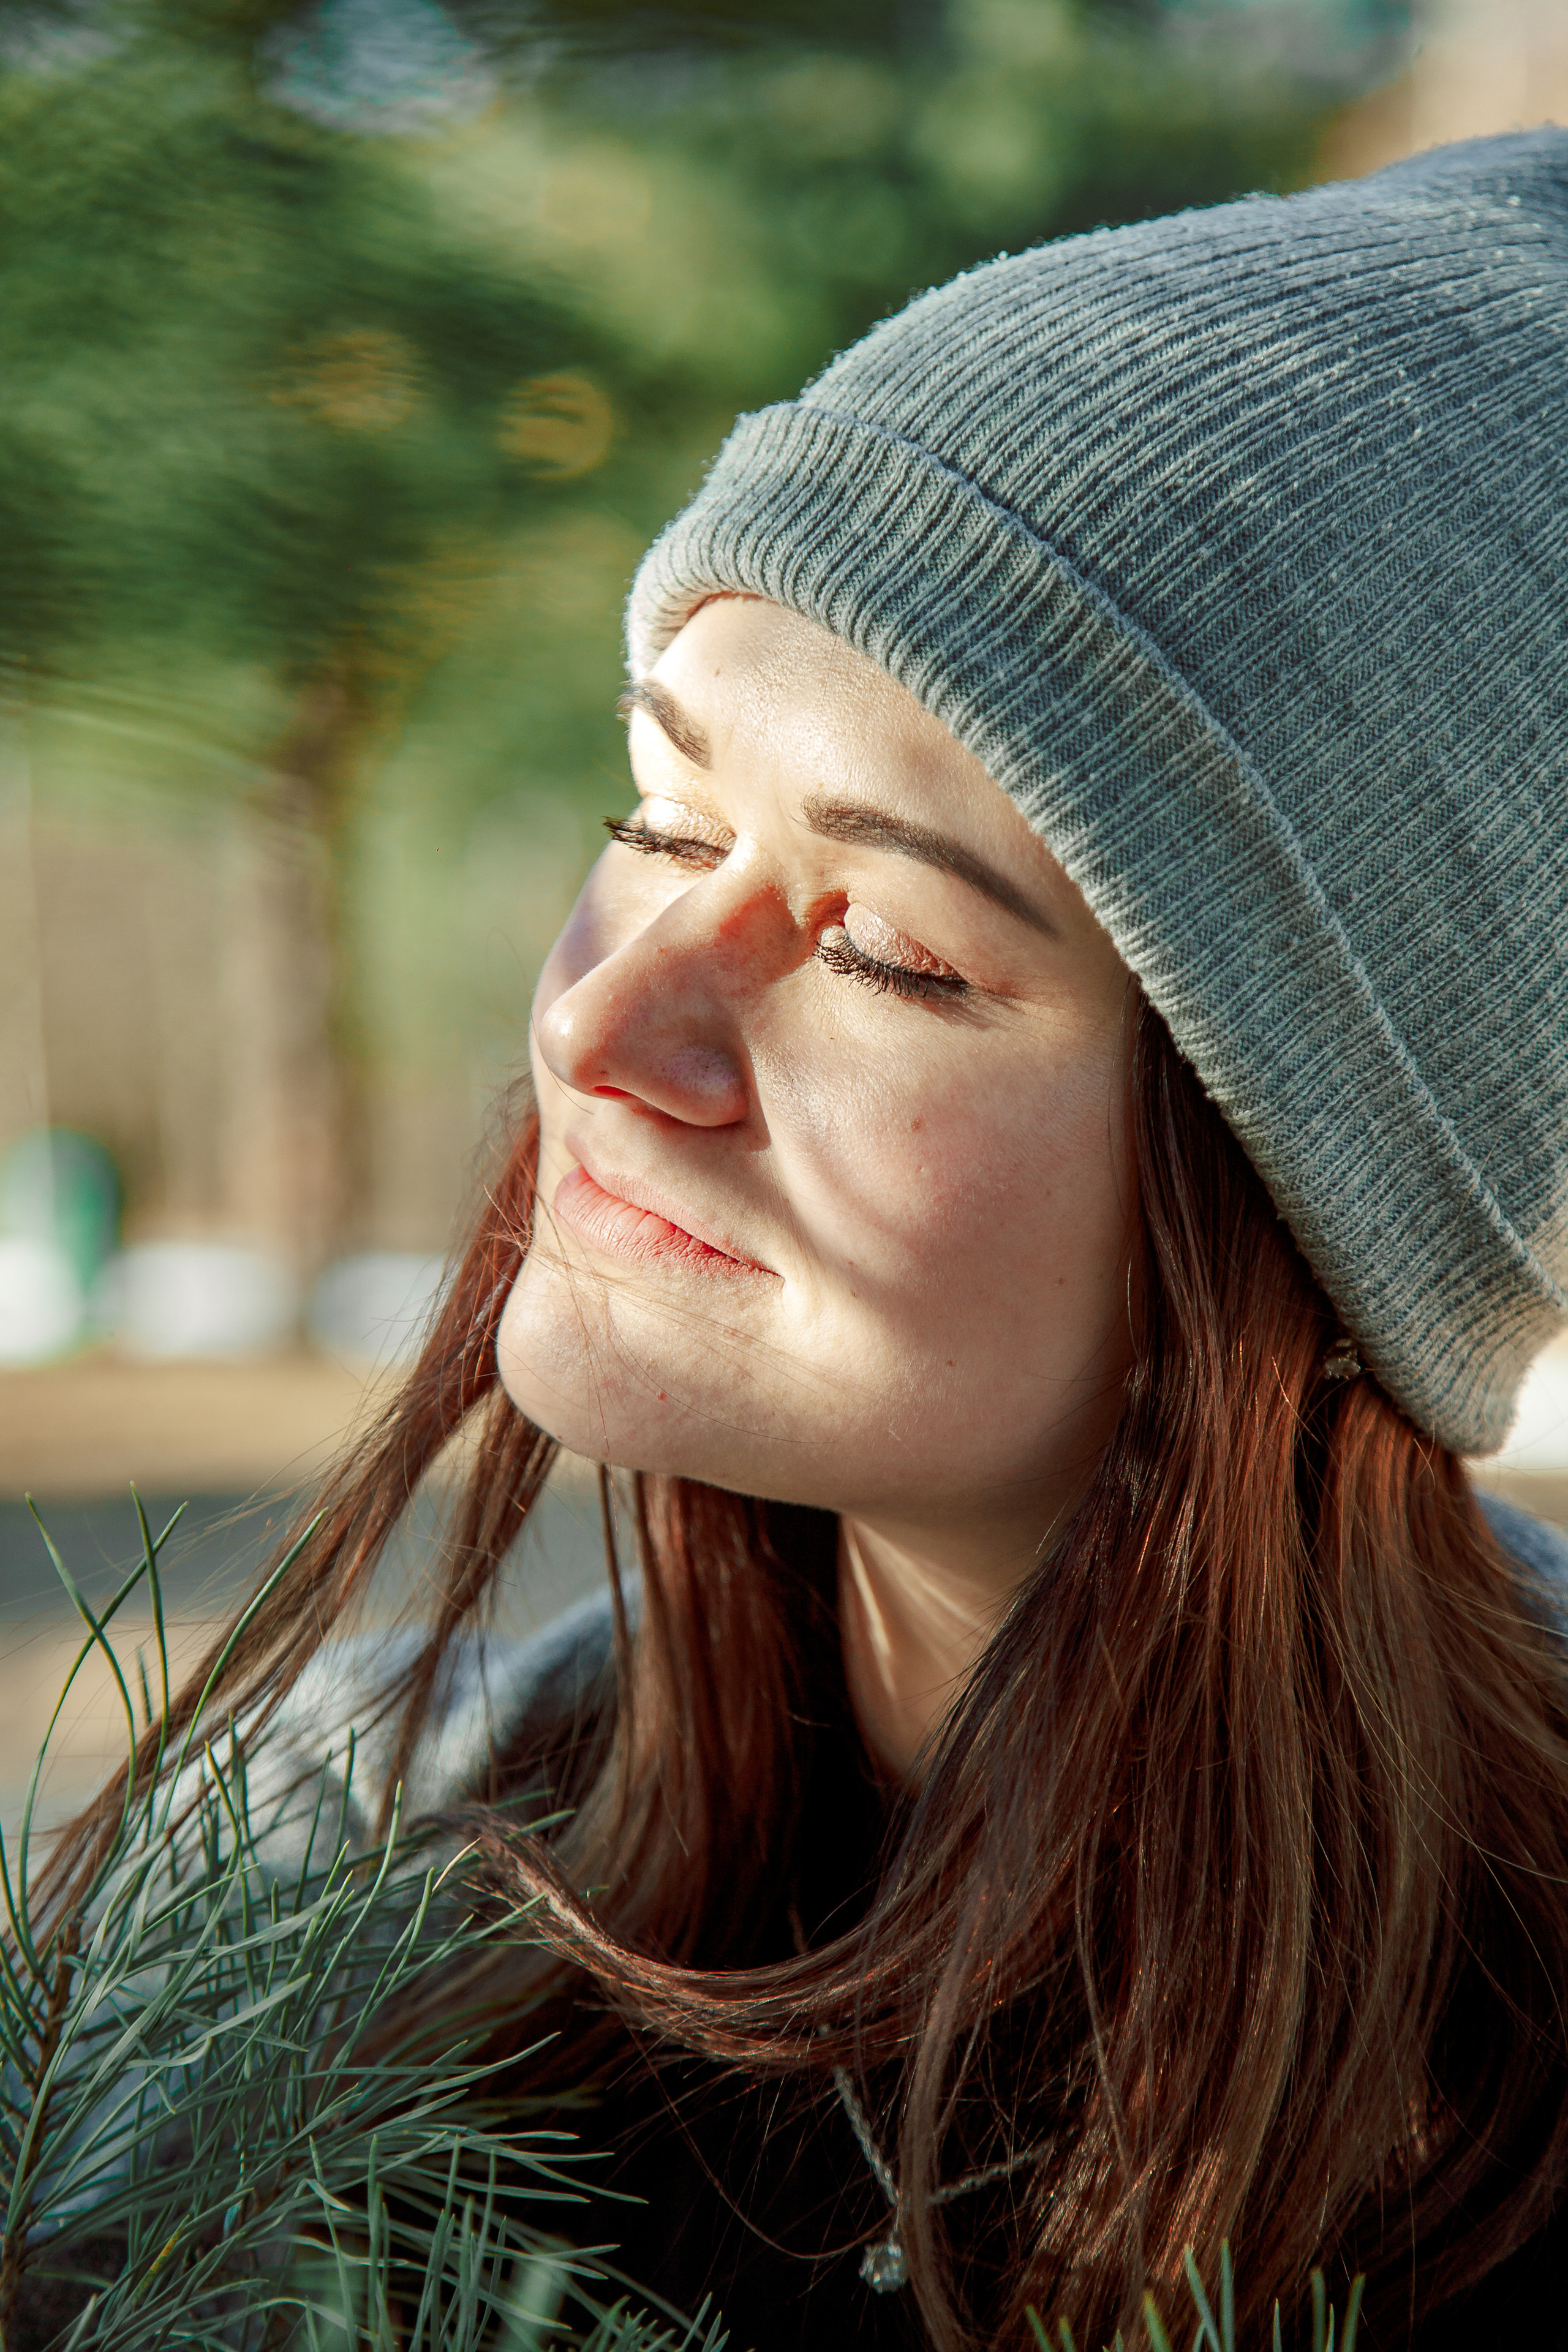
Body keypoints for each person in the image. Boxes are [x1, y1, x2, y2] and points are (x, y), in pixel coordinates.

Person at [58, 128, 1568, 2348]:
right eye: (662, 820)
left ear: (1335, 1198)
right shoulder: (311, 1923)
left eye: (890, 954)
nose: (598, 1025)